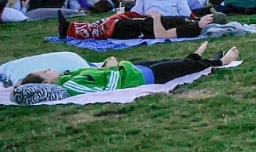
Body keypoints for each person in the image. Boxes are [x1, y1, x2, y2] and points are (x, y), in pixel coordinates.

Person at [14, 42, 239, 101]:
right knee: (182, 68)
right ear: (47, 84)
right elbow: (109, 89)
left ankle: (199, 58)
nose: (50, 68)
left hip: (132, 68)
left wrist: (105, 65)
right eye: (46, 71)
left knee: (173, 62)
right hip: (137, 77)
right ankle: (221, 62)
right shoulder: (71, 86)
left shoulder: (69, 77)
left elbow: (97, 77)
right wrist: (111, 68)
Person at [59, 9, 213, 40]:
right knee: (106, 22)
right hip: (142, 22)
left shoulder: (192, 29)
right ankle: (69, 27)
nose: (205, 17)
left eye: (210, 18)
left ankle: (68, 30)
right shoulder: (193, 21)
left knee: (104, 28)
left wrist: (157, 17)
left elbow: (161, 35)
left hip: (138, 30)